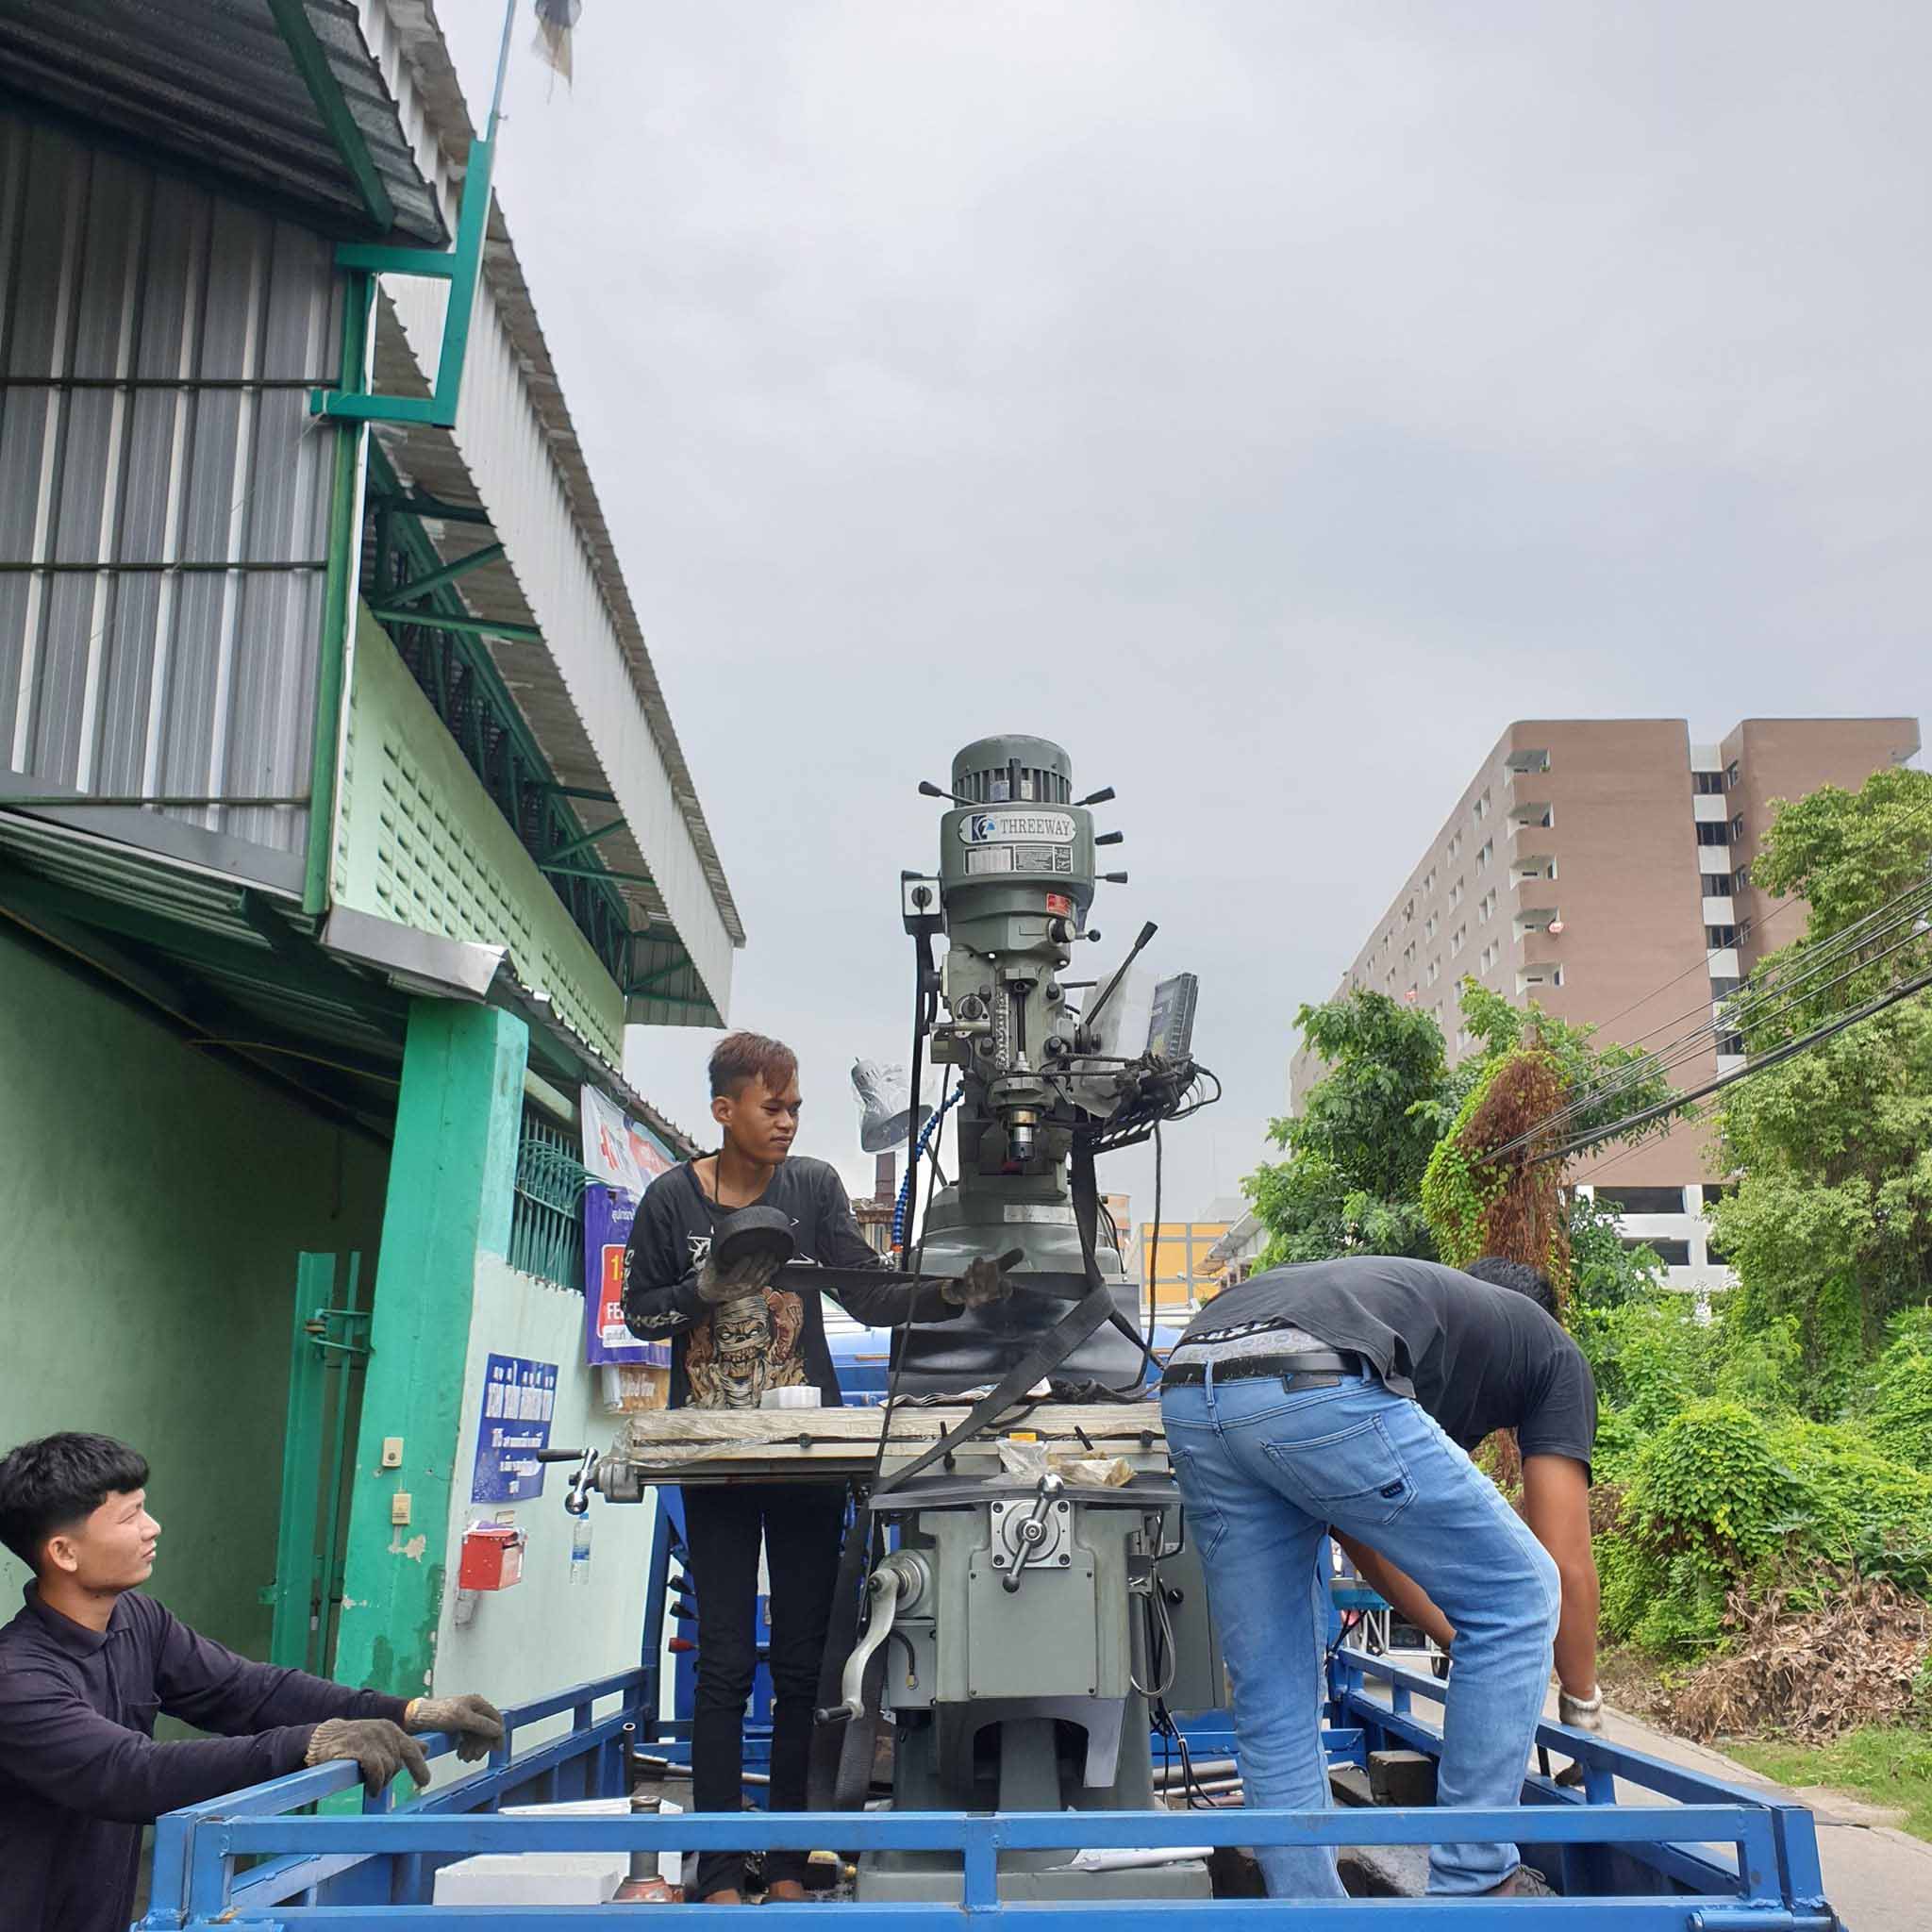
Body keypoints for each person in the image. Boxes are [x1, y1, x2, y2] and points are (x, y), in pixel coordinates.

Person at [623, 1031, 1001, 1906]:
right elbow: (639, 1315)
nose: (789, 1121)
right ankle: (720, 1871)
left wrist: (945, 1292)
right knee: (722, 1665)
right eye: (773, 1106)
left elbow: (864, 1289)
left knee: (802, 1668)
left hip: (805, 1456)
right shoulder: (671, 1200)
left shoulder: (813, 1187)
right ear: (724, 1110)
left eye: (796, 1106)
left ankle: (789, 1864)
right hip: (715, 1460)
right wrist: (702, 1292)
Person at [1159, 1254, 1601, 1901]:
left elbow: (1362, 1533)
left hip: (1190, 1380)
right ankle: (1476, 1885)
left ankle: (1307, 1911)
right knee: (1523, 1588)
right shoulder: (1553, 1350)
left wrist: (1473, 1641)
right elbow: (1561, 1565)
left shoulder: (1417, 1323)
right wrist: (1582, 1707)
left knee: (1274, 1688)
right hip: (1308, 1372)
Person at [0, 1433, 505, 1932]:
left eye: (144, 1509)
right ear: (64, 1552)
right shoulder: (16, 1678)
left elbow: (248, 1691)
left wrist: (408, 1712)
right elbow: (129, 1774)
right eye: (129, 1517)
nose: (152, 1528)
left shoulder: (137, 1620)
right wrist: (309, 1744)